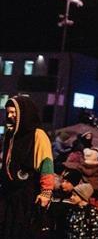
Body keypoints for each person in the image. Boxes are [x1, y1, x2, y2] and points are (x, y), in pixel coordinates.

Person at [0, 95, 55, 239]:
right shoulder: (11, 135)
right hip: (8, 193)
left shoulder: (38, 135)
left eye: (13, 112)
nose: (9, 116)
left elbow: (46, 163)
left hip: (27, 193)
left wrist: (46, 192)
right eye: (8, 112)